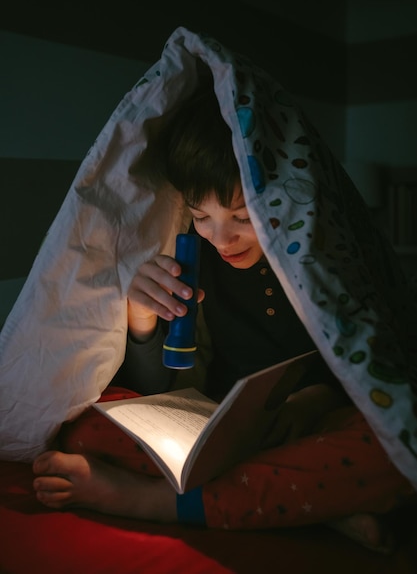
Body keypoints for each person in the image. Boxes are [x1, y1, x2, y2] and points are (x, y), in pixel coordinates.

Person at [32, 87, 415, 554]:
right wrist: (143, 324)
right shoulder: (195, 256)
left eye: (241, 215)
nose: (221, 237)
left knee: (394, 446)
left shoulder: (322, 258)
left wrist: (314, 399)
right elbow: (168, 385)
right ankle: (314, 508)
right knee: (84, 424)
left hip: (312, 425)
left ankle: (158, 503)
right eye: (201, 215)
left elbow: (373, 360)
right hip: (214, 428)